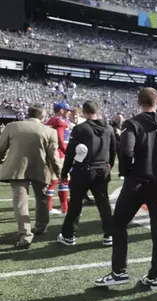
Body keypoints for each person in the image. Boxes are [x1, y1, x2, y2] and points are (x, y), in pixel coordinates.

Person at [95, 88, 157, 291]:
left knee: (118, 223)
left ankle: (119, 272)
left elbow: (126, 150)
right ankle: (156, 275)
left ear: (138, 102)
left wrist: (127, 171)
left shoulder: (132, 124)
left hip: (139, 182)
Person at [0, 105, 62, 248]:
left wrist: (2, 160)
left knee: (20, 201)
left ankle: (25, 235)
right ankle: (41, 226)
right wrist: (60, 174)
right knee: (42, 198)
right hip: (40, 169)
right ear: (42, 117)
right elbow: (54, 156)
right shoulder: (50, 131)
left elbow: (1, 148)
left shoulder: (12, 126)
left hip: (17, 169)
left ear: (28, 114)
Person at [57, 101, 117, 247]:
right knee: (103, 204)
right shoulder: (108, 128)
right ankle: (110, 234)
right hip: (102, 170)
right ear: (98, 110)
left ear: (84, 112)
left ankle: (69, 235)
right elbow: (113, 150)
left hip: (83, 171)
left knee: (76, 203)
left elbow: (71, 152)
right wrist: (109, 165)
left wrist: (65, 172)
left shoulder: (80, 129)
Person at [45, 102, 73, 214]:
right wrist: (67, 153)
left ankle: (49, 208)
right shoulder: (59, 121)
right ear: (61, 110)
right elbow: (61, 140)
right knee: (63, 181)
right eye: (67, 110)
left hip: (51, 153)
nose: (68, 112)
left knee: (52, 181)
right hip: (59, 154)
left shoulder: (50, 121)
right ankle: (64, 209)